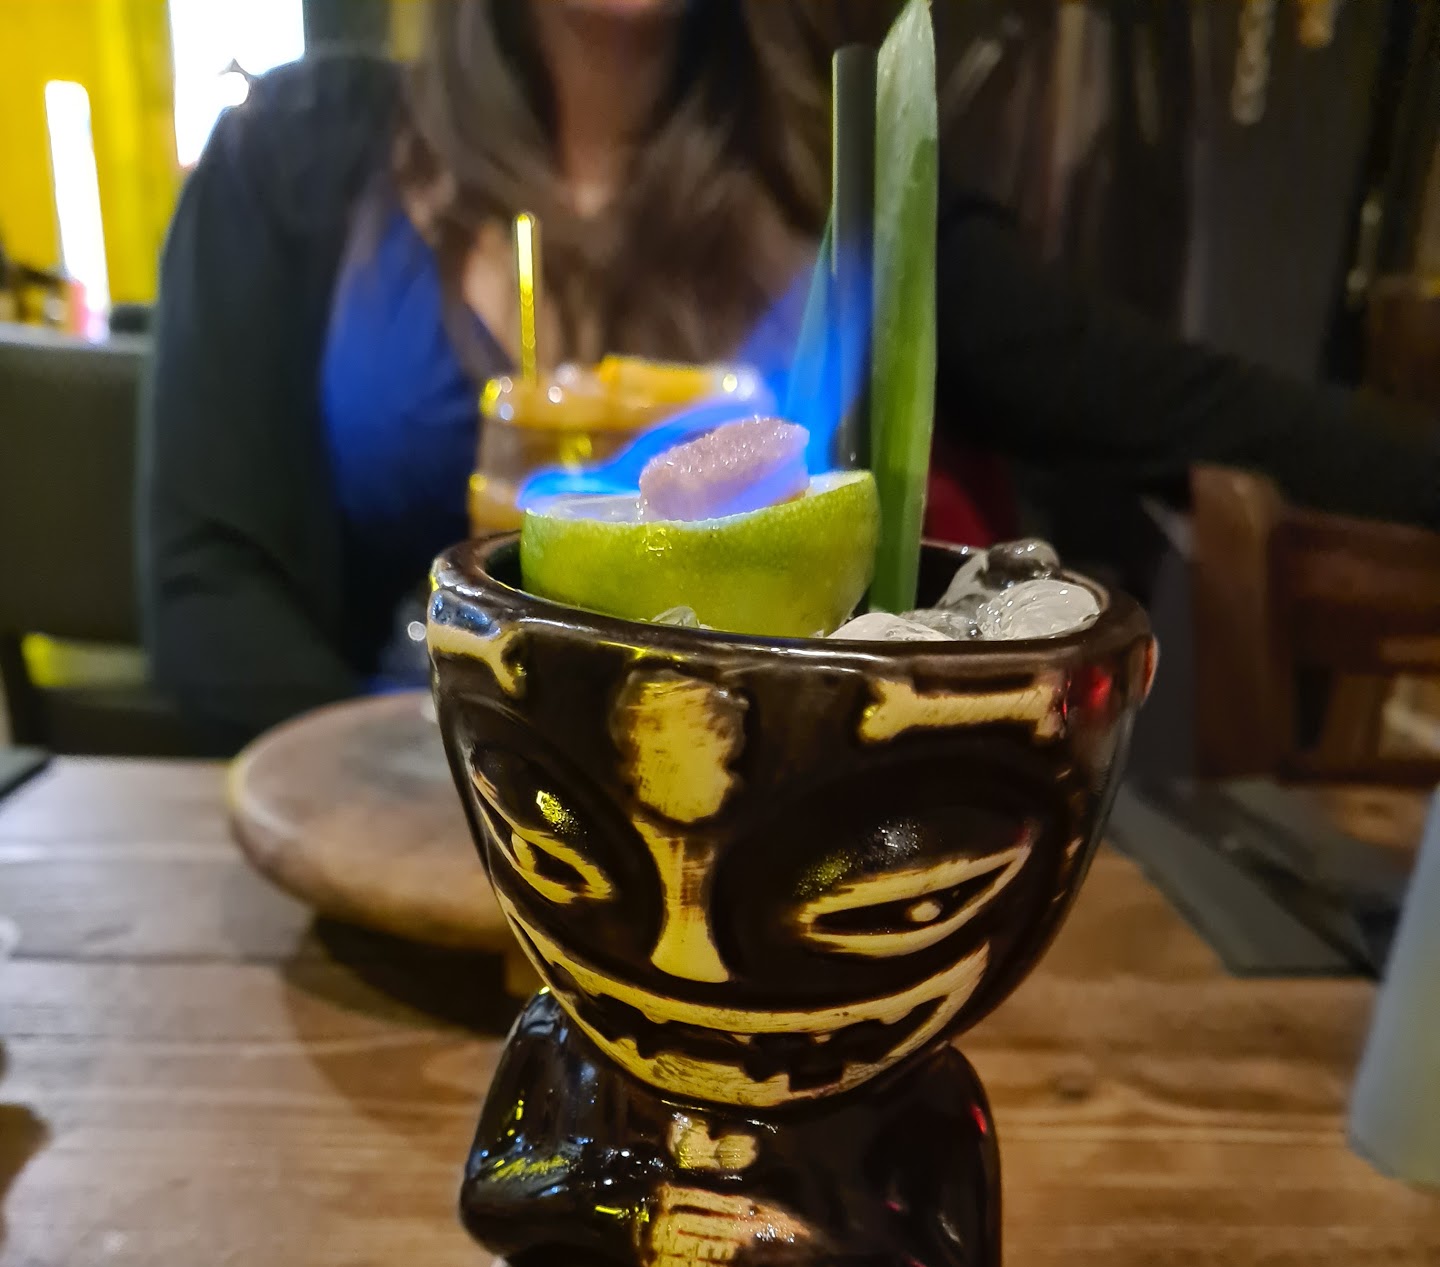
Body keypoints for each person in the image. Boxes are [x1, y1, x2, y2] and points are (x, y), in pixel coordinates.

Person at [141, 0, 1440, 753]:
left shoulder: (857, 195)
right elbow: (211, 588)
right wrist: (435, 798)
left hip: (763, 899)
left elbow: (1198, 408)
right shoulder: (299, 157)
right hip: (384, 872)